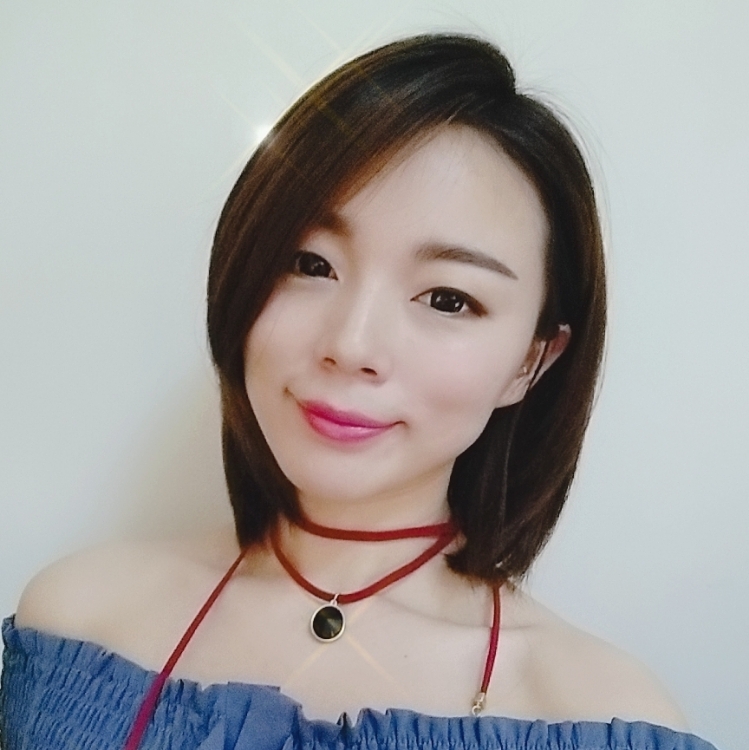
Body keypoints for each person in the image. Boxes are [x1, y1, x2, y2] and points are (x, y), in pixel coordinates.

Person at [0, 33, 718, 750]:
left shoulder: (603, 719)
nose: (350, 344)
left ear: (529, 363)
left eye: (447, 299)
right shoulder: (75, 623)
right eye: (310, 263)